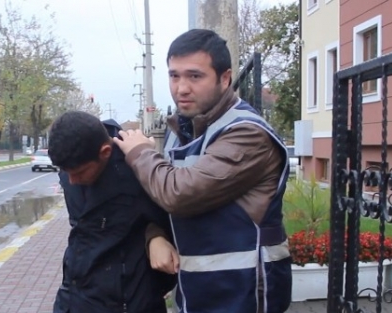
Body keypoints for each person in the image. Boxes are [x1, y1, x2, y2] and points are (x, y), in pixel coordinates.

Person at [112, 29, 293, 313]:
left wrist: (140, 152)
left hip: (243, 295)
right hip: (196, 293)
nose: (181, 87)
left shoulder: (247, 133)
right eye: (174, 76)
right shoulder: (182, 128)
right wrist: (154, 234)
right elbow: (158, 196)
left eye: (194, 76)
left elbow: (179, 193)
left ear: (225, 78)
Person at [48, 111, 176, 313]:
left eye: (79, 172)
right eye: (66, 173)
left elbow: (173, 220)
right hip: (73, 298)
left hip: (128, 302)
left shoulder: (136, 170)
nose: (72, 180)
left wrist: (156, 236)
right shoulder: (75, 157)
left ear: (105, 152)